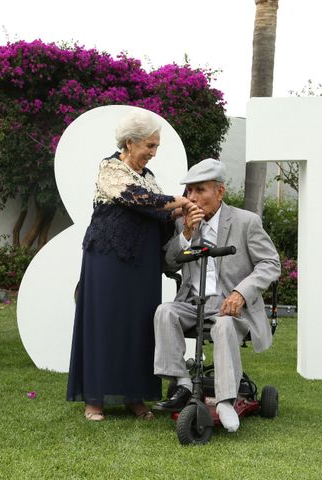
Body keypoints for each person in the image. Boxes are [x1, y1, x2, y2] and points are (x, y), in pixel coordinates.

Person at [66, 110, 198, 421]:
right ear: (130, 143)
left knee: (140, 327)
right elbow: (137, 199)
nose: (153, 153)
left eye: (156, 147)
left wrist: (184, 215)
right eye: (149, 146)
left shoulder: (150, 178)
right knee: (105, 325)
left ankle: (135, 397)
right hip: (108, 261)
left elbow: (160, 214)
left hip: (143, 265)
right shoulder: (110, 169)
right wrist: (179, 202)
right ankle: (95, 400)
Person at [153, 158, 280, 432]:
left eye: (200, 190)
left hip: (232, 306)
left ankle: (225, 400)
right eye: (189, 191)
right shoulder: (183, 224)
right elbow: (169, 263)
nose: (192, 198)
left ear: (219, 192)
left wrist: (240, 293)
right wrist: (186, 234)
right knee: (164, 311)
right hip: (193, 303)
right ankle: (182, 383)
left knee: (222, 323)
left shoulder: (247, 222)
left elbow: (270, 263)